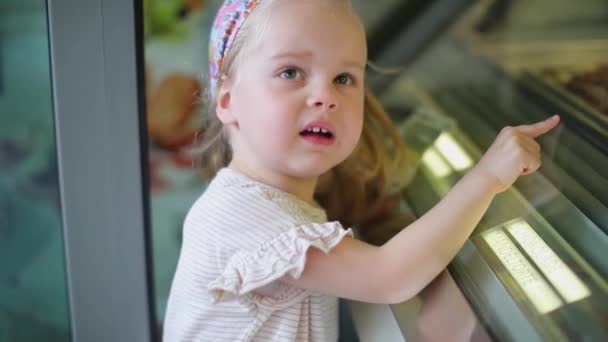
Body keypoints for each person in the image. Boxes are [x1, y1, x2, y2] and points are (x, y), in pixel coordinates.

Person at [162, 0, 561, 340]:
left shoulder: (275, 204)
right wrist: (488, 177)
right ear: (228, 101)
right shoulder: (240, 215)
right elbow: (388, 277)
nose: (325, 96)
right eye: (290, 72)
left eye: (344, 78)